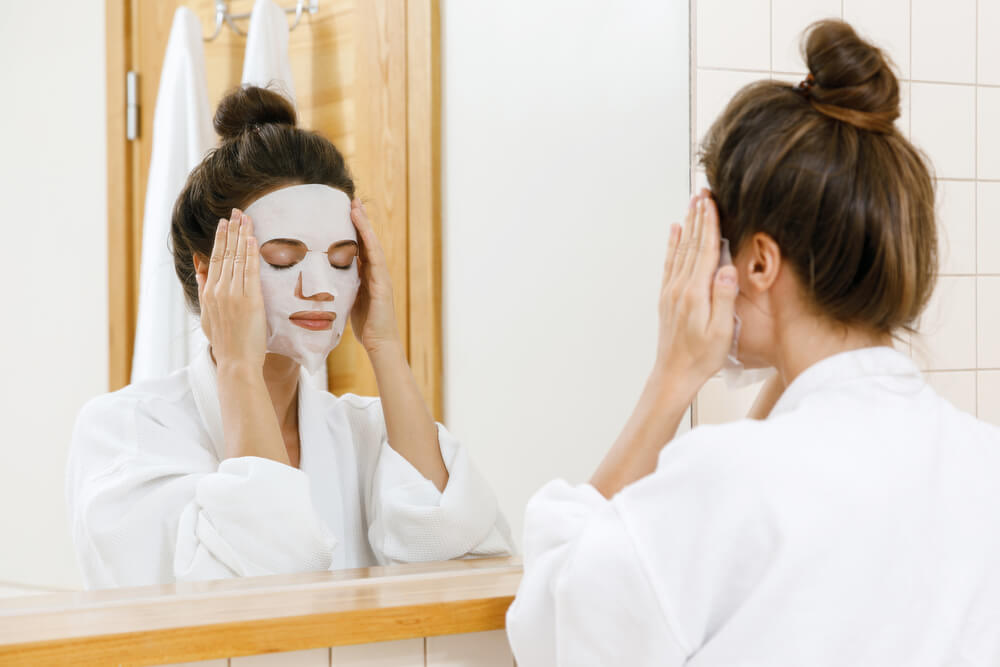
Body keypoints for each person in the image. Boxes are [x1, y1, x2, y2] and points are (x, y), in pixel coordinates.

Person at [506, 20, 1000, 666]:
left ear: (760, 263)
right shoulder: (982, 463)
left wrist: (671, 379)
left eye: (718, 249)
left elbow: (552, 627)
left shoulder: (727, 479)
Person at [66, 86, 512, 589]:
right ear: (207, 271)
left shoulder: (367, 432)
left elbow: (460, 567)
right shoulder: (127, 433)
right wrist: (238, 366)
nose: (321, 288)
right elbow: (263, 591)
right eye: (283, 259)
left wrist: (385, 347)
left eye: (342, 261)